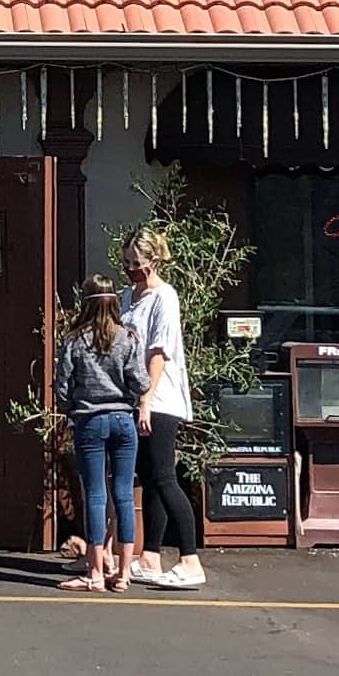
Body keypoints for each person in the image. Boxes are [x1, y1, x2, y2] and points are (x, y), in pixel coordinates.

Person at [121, 229, 203, 589]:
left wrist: (146, 400)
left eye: (136, 266)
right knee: (150, 479)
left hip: (160, 398)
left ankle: (190, 559)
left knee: (165, 478)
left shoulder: (164, 298)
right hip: (134, 395)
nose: (131, 272)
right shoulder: (129, 297)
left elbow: (159, 352)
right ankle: (150, 555)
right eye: (126, 265)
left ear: (153, 262)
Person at [56, 278, 148, 592]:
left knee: (95, 495)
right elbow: (141, 383)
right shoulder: (128, 338)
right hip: (123, 420)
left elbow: (62, 388)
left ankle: (95, 572)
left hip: (90, 420)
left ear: (87, 302)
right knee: (124, 495)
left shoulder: (74, 340)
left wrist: (73, 408)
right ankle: (123, 573)